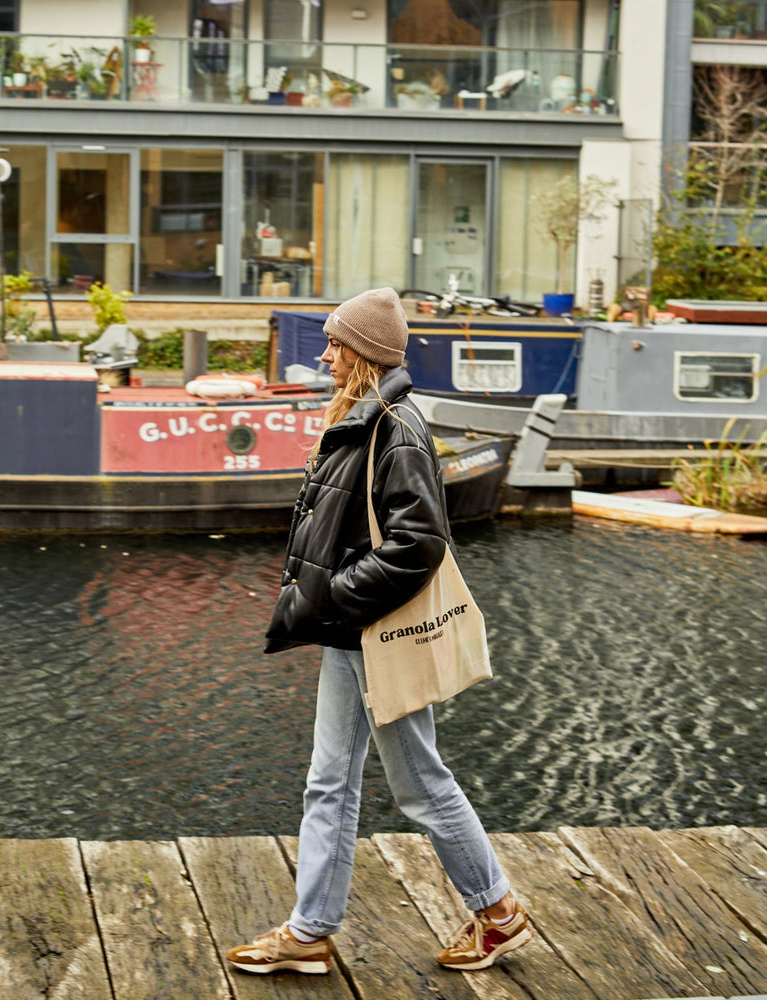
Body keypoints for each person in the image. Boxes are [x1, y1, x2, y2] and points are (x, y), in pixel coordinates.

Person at [226, 287, 532, 976]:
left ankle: (499, 913)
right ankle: (310, 932)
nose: (326, 354)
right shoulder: (362, 416)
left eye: (337, 343)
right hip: (350, 632)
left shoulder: (397, 426)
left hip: (375, 630)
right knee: (328, 781)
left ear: (364, 353)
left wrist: (337, 592)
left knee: (418, 780)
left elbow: (418, 542)